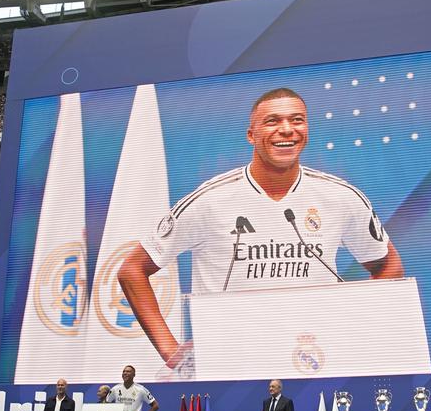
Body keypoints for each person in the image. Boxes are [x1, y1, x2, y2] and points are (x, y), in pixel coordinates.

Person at [117, 87, 405, 370]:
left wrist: (350, 325)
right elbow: (132, 270)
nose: (287, 129)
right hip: (232, 361)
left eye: (297, 120)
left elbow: (388, 264)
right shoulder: (210, 200)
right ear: (251, 135)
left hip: (314, 359)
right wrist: (170, 349)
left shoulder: (340, 197)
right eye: (272, 121)